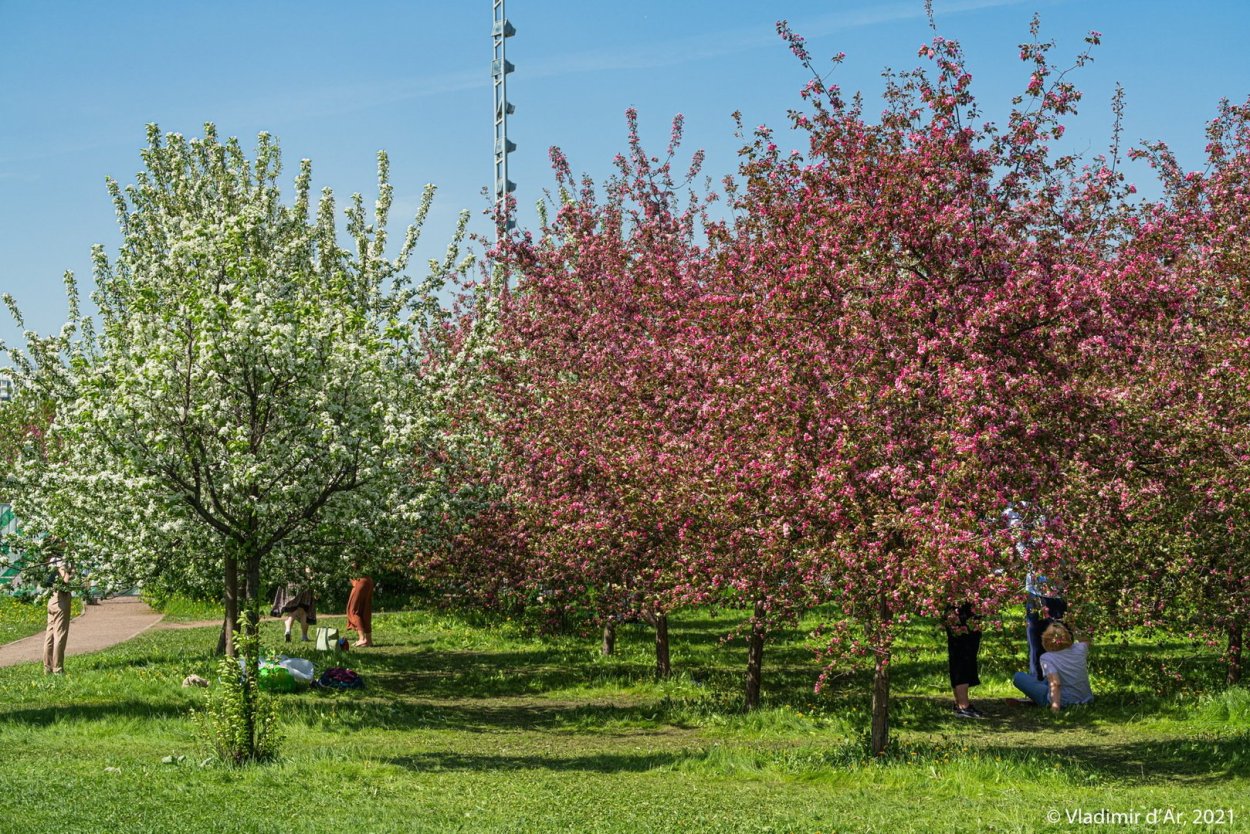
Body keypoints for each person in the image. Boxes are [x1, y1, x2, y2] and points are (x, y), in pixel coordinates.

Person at [1011, 622, 1094, 711]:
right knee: (1047, 680)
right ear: (1068, 636)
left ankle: (1039, 699)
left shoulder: (1047, 658)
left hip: (1064, 702)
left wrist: (1055, 707)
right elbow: (1086, 639)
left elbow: (1055, 683)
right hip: (1086, 700)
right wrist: (1073, 626)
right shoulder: (1079, 649)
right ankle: (1035, 695)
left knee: (1018, 677)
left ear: (1045, 641)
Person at [945, 602, 987, 719]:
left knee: (964, 655)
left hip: (968, 609)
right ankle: (963, 706)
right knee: (962, 656)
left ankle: (960, 703)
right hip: (961, 611)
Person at [1025, 571, 1068, 680]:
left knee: (1060, 642)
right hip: (1035, 594)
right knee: (1036, 645)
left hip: (1058, 596)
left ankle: (1062, 682)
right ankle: (1037, 680)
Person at [43, 552, 73, 675]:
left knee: (49, 635)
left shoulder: (50, 559)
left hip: (51, 597)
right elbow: (66, 579)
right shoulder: (61, 560)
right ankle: (58, 669)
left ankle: (47, 668)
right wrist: (71, 572)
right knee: (59, 634)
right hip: (61, 599)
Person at [346, 575, 374, 648]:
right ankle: (369, 640)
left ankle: (362, 639)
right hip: (369, 580)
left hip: (359, 581)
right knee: (365, 611)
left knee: (353, 611)